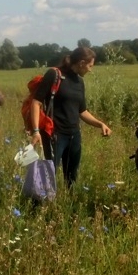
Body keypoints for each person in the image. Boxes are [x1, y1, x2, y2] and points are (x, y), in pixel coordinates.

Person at [29, 47, 111, 187]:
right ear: (81, 63)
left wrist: (100, 124)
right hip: (54, 135)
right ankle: (39, 206)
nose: (90, 70)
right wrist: (36, 132)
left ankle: (69, 203)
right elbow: (36, 103)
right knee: (48, 175)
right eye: (90, 66)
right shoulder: (54, 75)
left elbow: (82, 111)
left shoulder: (79, 82)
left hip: (74, 135)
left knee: (72, 176)